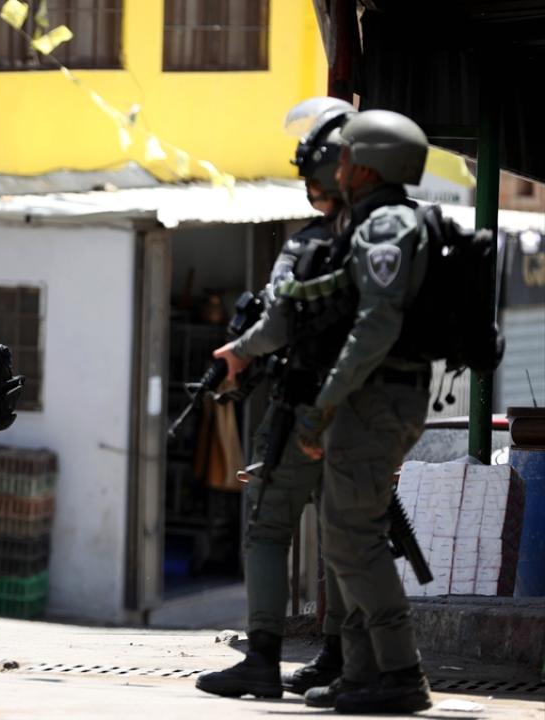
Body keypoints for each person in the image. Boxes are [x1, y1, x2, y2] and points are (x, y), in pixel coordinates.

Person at [195, 97, 354, 700]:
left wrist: (239, 356)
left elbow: (277, 321)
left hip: (302, 409)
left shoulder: (309, 244)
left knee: (266, 529)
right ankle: (339, 656)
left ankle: (261, 659)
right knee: (346, 537)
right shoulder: (390, 235)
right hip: (364, 412)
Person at [295, 109, 433, 714]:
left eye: (347, 157)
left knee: (355, 540)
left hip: (377, 398)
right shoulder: (371, 221)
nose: (339, 167)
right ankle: (359, 673)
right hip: (371, 397)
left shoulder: (387, 227)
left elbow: (376, 325)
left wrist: (323, 404)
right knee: (346, 540)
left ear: (371, 166)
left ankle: (400, 673)